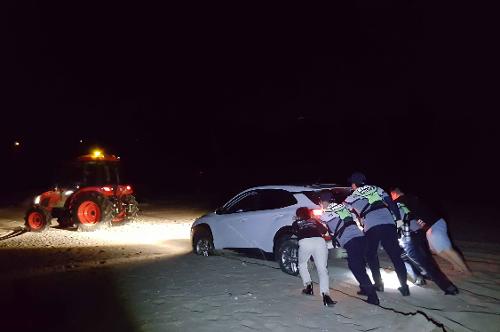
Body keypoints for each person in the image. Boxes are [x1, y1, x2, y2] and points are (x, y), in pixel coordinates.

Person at [344, 172, 410, 296]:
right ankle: (404, 287)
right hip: (388, 222)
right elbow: (391, 203)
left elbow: (343, 211)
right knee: (396, 256)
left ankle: (378, 285)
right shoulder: (376, 188)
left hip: (372, 225)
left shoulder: (351, 197)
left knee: (371, 255)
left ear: (353, 184)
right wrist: (399, 221)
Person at [390, 187, 470, 274]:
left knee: (447, 249)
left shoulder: (402, 200)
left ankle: (466, 270)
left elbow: (400, 216)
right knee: (436, 250)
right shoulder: (410, 199)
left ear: (394, 194)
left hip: (434, 224)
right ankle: (456, 265)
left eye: (391, 196)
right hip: (430, 226)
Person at [393, 193, 460, 295]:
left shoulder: (390, 207)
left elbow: (400, 222)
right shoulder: (399, 204)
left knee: (421, 261)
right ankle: (421, 277)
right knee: (419, 258)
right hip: (419, 233)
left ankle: (448, 287)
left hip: (409, 235)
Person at [320, 200, 380, 305]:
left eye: (321, 203)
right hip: (361, 238)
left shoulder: (325, 214)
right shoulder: (344, 209)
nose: (320, 206)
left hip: (351, 242)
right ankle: (365, 289)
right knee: (360, 266)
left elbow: (324, 229)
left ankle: (373, 297)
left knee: (357, 269)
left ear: (324, 202)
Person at [292, 207, 336, 307]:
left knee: (302, 264)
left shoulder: (296, 223)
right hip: (319, 242)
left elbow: (295, 231)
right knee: (322, 269)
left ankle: (308, 287)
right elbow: (324, 231)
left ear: (298, 215)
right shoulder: (314, 220)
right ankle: (326, 296)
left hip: (305, 242)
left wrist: (297, 221)